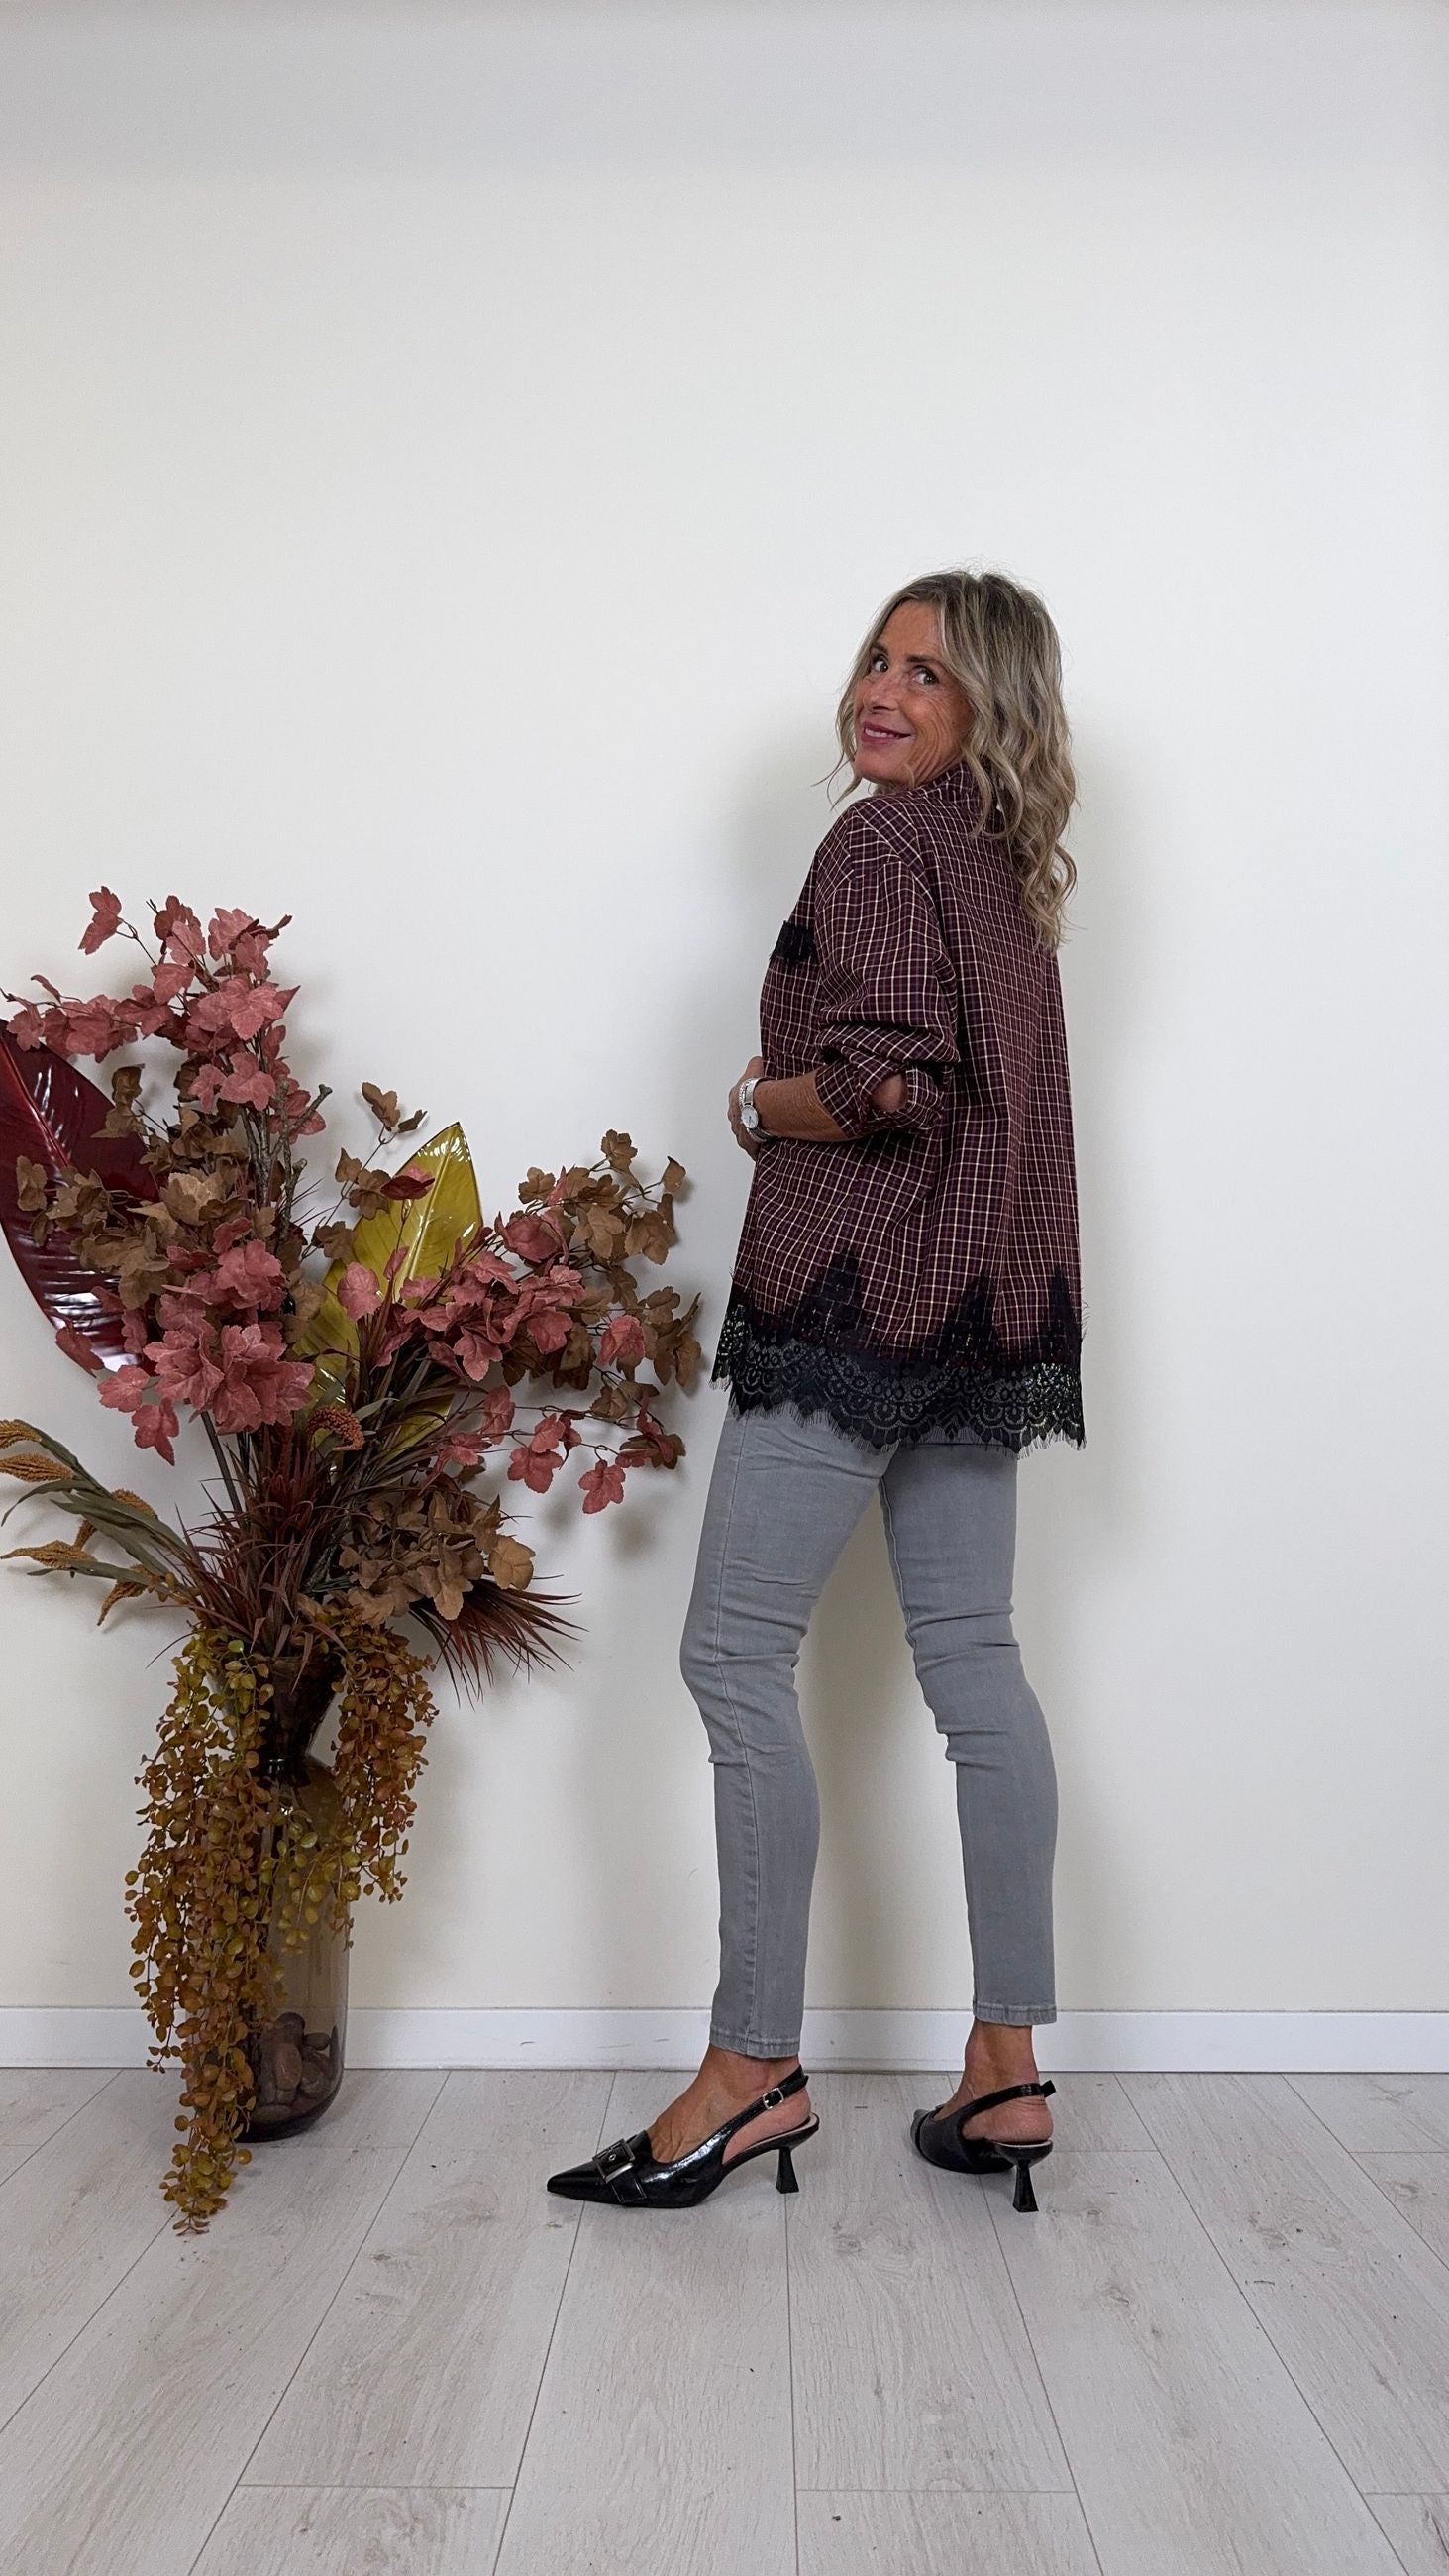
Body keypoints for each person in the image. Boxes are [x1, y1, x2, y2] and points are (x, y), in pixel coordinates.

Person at [548, 567, 1084, 2214]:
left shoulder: (878, 843)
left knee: (731, 1654)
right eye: (877, 659)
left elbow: (887, 1087)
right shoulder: (1001, 868)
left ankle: (751, 2070)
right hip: (982, 1311)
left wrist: (755, 1103)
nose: (883, 693)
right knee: (975, 1661)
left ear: (991, 707)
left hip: (856, 1302)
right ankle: (1006, 2065)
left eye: (928, 674)